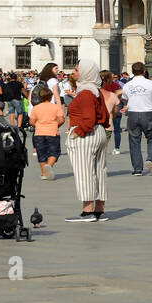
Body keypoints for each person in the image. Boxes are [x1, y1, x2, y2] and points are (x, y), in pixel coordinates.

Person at [64, 58, 111, 222]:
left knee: (84, 172)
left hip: (86, 134)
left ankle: (87, 211)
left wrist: (78, 131)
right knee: (99, 171)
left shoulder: (84, 93)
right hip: (99, 132)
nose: (73, 72)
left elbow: (89, 118)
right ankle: (99, 210)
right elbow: (105, 116)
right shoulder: (95, 91)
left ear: (85, 73)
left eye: (76, 70)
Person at [122, 62, 152, 176]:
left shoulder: (127, 85)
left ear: (132, 72)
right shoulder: (151, 84)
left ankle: (137, 169)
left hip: (133, 114)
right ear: (144, 71)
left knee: (134, 140)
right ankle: (150, 159)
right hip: (147, 113)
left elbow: (125, 99)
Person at [28, 85, 65, 180]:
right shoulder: (56, 107)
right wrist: (56, 125)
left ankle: (44, 173)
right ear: (51, 96)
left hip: (39, 132)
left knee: (41, 153)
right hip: (52, 132)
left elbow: (31, 122)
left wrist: (38, 126)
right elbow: (61, 119)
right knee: (54, 151)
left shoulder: (36, 108)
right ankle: (49, 165)